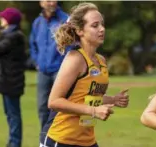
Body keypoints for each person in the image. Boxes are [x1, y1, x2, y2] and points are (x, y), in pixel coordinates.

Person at [39, 2, 129, 147]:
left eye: (102, 24)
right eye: (95, 25)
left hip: (87, 141)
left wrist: (113, 99)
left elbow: (86, 97)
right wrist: (93, 111)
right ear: (80, 31)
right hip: (61, 139)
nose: (102, 29)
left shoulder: (101, 60)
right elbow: (54, 102)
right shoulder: (75, 59)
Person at [0, 8, 26, 147]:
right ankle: (12, 142)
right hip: (8, 81)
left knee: (13, 115)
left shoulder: (13, 37)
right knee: (10, 114)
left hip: (11, 81)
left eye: (3, 18)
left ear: (9, 21)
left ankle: (15, 143)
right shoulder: (9, 35)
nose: (1, 20)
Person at [29, 0, 70, 133]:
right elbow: (33, 44)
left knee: (60, 107)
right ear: (41, 3)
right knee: (42, 107)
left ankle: (60, 137)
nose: (51, 3)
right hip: (43, 72)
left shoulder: (65, 19)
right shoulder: (37, 22)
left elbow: (71, 44)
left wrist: (66, 65)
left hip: (60, 71)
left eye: (53, 0)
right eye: (48, 0)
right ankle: (45, 138)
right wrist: (37, 62)